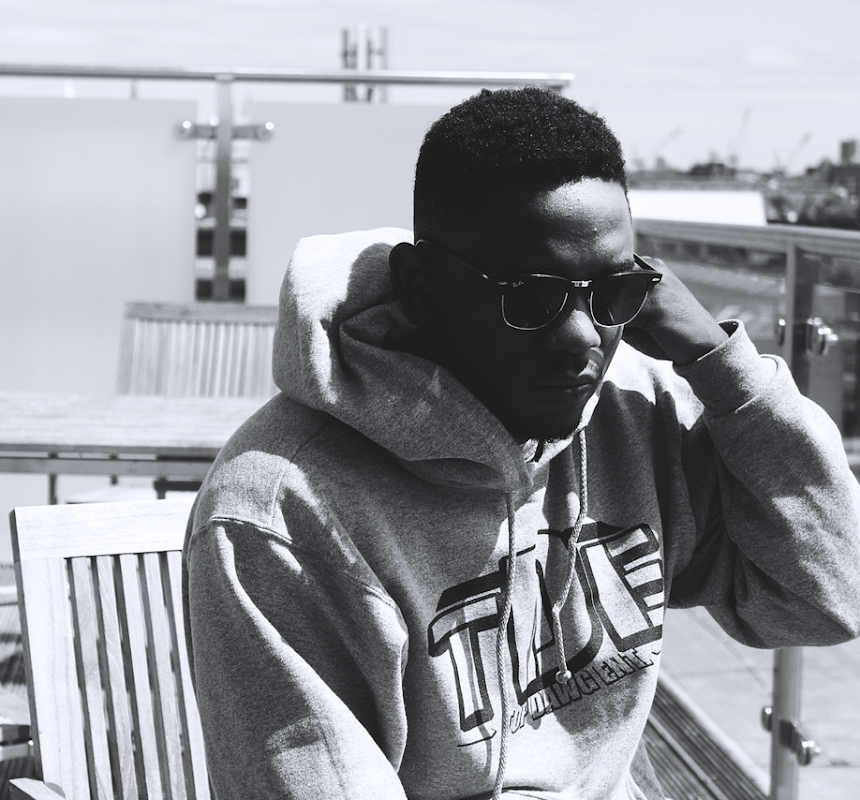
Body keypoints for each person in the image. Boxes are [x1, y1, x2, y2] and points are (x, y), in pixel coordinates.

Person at [182, 87, 860, 800]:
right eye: (531, 298)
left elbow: (824, 599)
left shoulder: (632, 405)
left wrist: (725, 371)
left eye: (611, 293)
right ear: (421, 285)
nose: (581, 339)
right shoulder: (278, 509)